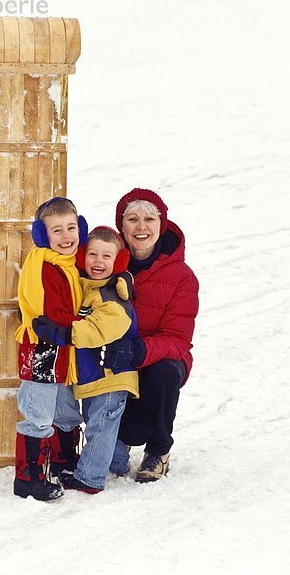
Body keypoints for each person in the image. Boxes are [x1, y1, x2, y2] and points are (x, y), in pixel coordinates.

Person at [33, 226, 139, 493]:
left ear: (118, 261)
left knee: (100, 426)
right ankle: (116, 462)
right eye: (93, 254)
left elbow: (98, 329)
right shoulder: (84, 286)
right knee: (99, 424)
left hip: (112, 376)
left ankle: (89, 477)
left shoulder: (114, 295)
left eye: (106, 256)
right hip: (94, 377)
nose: (98, 262)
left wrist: (64, 333)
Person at [104, 188, 199, 482]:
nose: (141, 227)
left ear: (163, 224)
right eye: (132, 219)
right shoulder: (105, 262)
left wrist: (138, 351)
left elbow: (177, 339)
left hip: (156, 359)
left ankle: (158, 449)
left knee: (165, 370)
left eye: (149, 219)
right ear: (122, 226)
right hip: (116, 358)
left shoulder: (182, 276)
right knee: (130, 431)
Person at [13, 197, 88, 501]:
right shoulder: (43, 264)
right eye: (57, 231)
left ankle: (62, 460)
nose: (67, 236)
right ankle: (28, 478)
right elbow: (52, 313)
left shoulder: (70, 264)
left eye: (71, 227)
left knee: (66, 411)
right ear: (43, 236)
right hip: (43, 349)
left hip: (64, 351)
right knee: (39, 413)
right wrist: (84, 321)